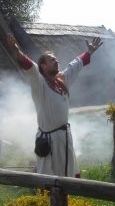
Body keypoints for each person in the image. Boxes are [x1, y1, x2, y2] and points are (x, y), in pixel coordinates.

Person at [6, 34, 103, 177]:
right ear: (43, 66)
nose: (56, 61)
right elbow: (30, 66)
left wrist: (89, 52)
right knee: (50, 178)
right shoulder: (39, 83)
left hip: (64, 136)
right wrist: (16, 50)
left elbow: (75, 64)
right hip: (49, 140)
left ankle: (66, 196)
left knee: (68, 173)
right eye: (52, 60)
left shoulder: (62, 80)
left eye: (56, 59)